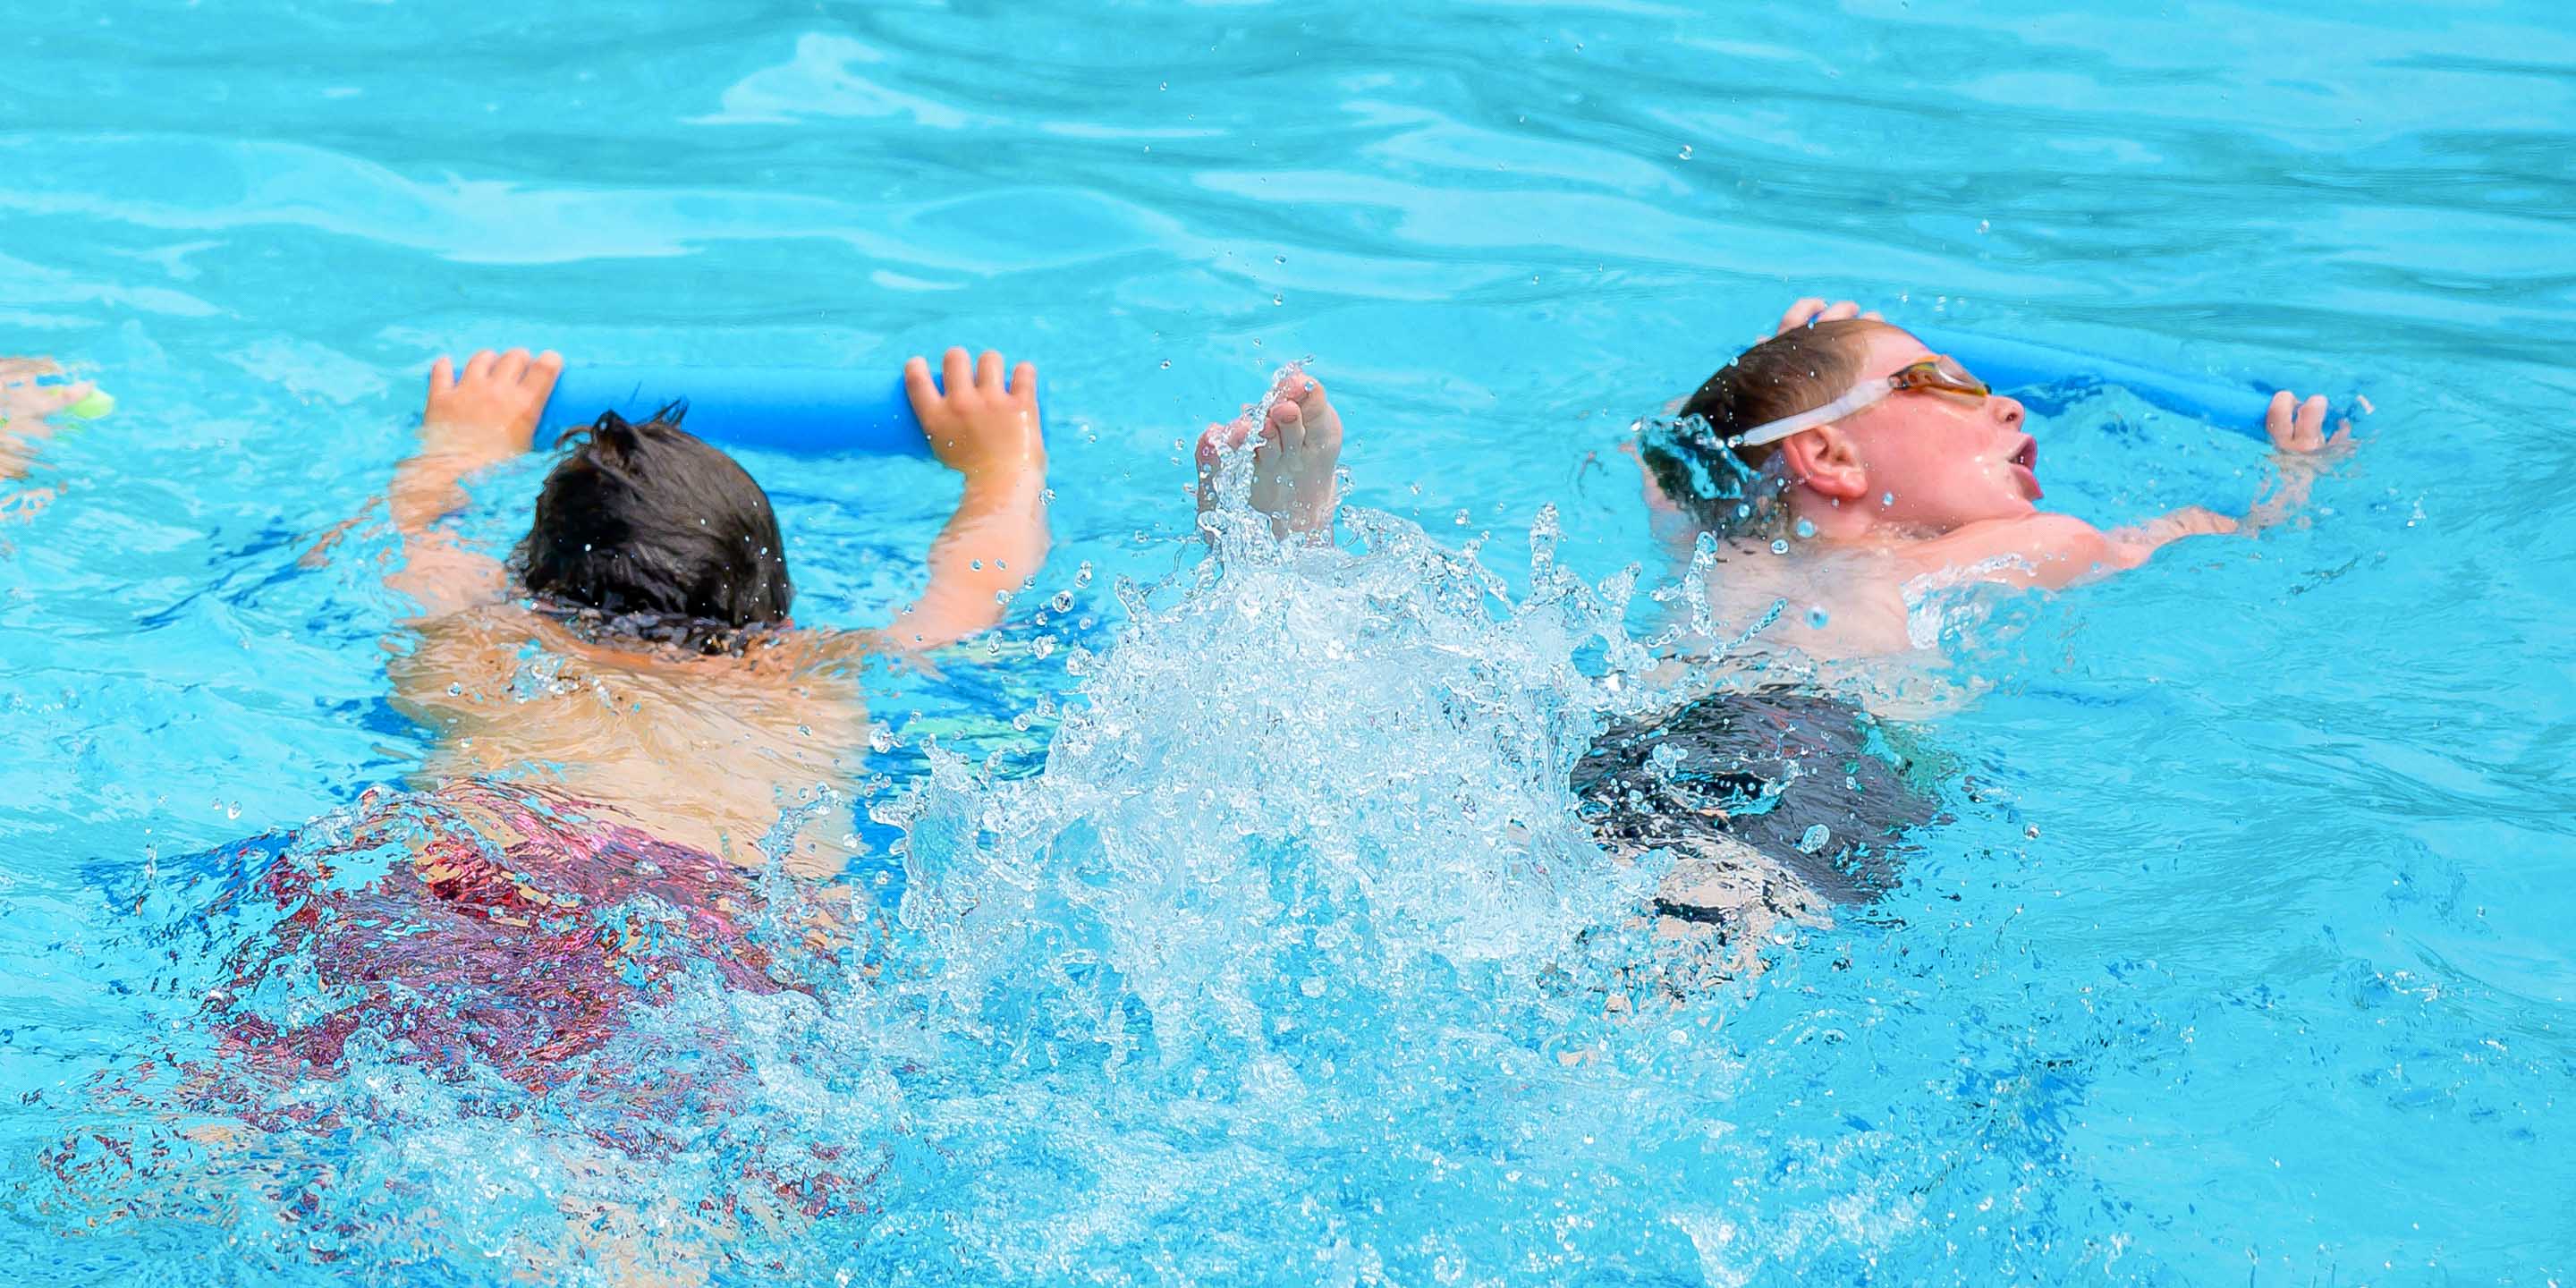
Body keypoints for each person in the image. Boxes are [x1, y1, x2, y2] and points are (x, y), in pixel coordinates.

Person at [1634, 298, 2354, 657]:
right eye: (1944, 382)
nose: (2008, 405)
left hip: (1631, 747)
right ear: (1829, 458)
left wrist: (1768, 371)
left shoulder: (1719, 550)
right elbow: (2208, 543)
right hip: (1814, 760)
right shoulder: (2038, 545)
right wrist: (2291, 480)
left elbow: (1669, 456)